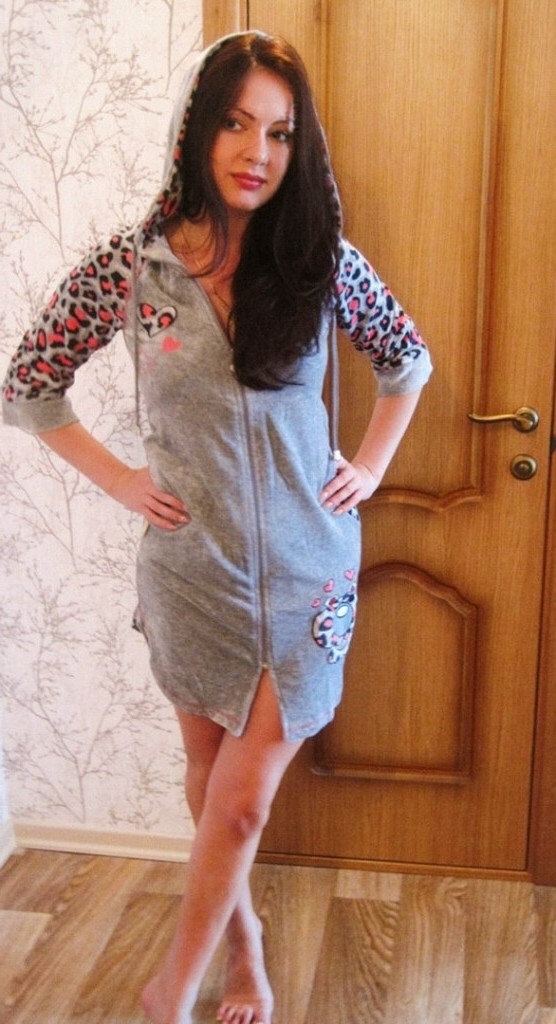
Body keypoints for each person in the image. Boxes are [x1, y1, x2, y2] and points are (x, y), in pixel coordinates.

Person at [2, 30, 432, 1024]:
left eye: (279, 133)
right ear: (196, 131)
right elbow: (29, 385)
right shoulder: (130, 270)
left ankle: (167, 993)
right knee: (208, 783)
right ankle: (245, 949)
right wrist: (120, 479)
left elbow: (406, 360)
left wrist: (369, 466)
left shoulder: (318, 260)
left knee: (240, 802)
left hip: (307, 574)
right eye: (236, 123)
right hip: (190, 573)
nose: (256, 151)